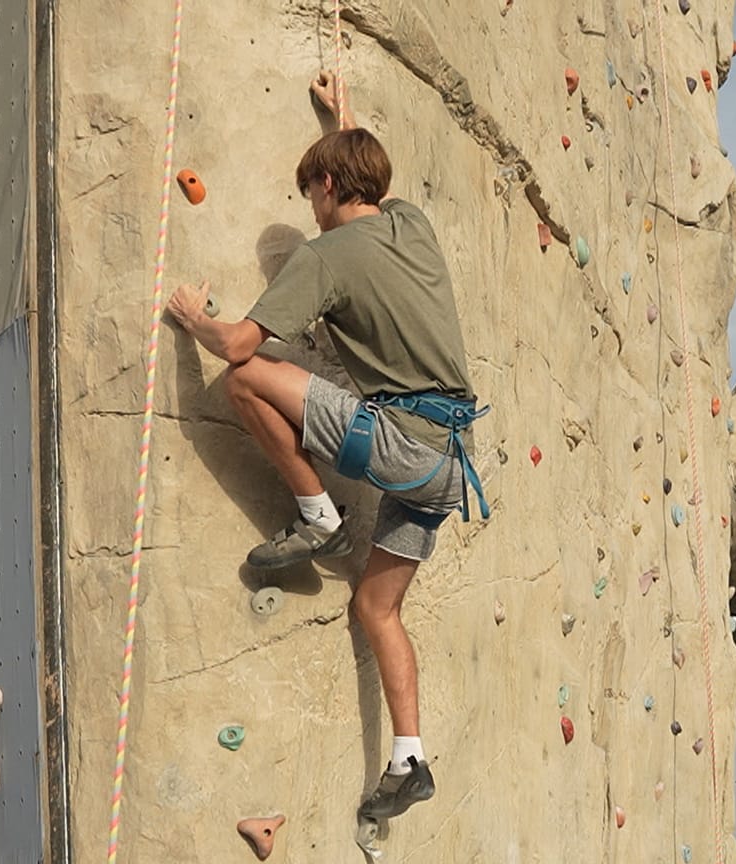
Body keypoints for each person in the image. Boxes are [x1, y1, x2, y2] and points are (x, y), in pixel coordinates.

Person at [165, 71, 488, 823]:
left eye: (312, 189)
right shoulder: (411, 224)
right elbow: (369, 178)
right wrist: (342, 116)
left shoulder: (324, 255)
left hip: (404, 446)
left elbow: (240, 342)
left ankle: (317, 517)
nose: (308, 205)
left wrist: (193, 323)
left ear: (331, 185)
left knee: (246, 378)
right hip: (451, 465)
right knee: (377, 607)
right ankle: (408, 758)